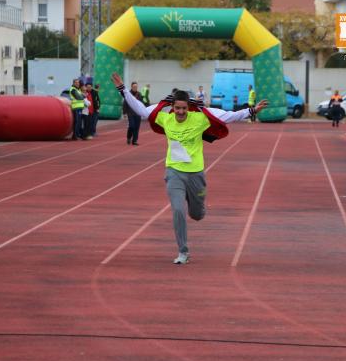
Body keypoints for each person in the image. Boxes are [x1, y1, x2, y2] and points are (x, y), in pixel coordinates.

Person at [111, 72, 269, 264]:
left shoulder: (200, 118)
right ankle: (183, 251)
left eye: (183, 108)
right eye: (177, 108)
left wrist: (252, 111)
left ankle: (199, 205)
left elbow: (229, 116)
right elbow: (141, 109)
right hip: (174, 172)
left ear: (189, 107)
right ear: (172, 107)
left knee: (196, 215)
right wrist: (122, 90)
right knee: (178, 210)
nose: (180, 112)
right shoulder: (165, 118)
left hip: (195, 173)